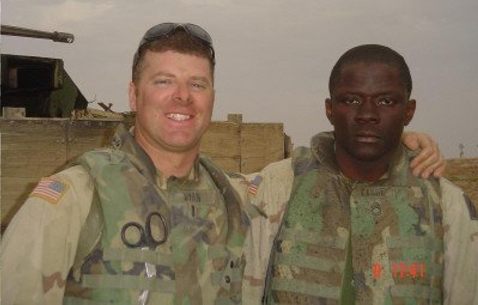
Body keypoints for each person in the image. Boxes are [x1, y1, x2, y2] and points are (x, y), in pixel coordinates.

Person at [1, 24, 444, 304]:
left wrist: (394, 140)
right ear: (134, 95)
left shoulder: (236, 195)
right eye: (163, 81)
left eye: (197, 83)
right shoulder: (74, 198)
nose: (182, 97)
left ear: (212, 98)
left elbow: (333, 164)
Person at [258, 44, 478, 304]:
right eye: (351, 100)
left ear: (409, 111)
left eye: (386, 101)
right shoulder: (279, 186)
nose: (367, 115)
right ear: (330, 109)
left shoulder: (446, 205)